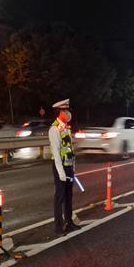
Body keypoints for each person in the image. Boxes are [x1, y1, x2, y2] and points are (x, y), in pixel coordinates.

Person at [49, 99, 80, 235]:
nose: (68, 113)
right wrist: (61, 172)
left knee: (69, 196)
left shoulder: (66, 128)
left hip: (68, 166)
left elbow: (70, 149)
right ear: (60, 112)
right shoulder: (54, 129)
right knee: (60, 197)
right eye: (65, 111)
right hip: (59, 167)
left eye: (68, 111)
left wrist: (73, 167)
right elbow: (56, 152)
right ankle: (58, 226)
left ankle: (69, 222)